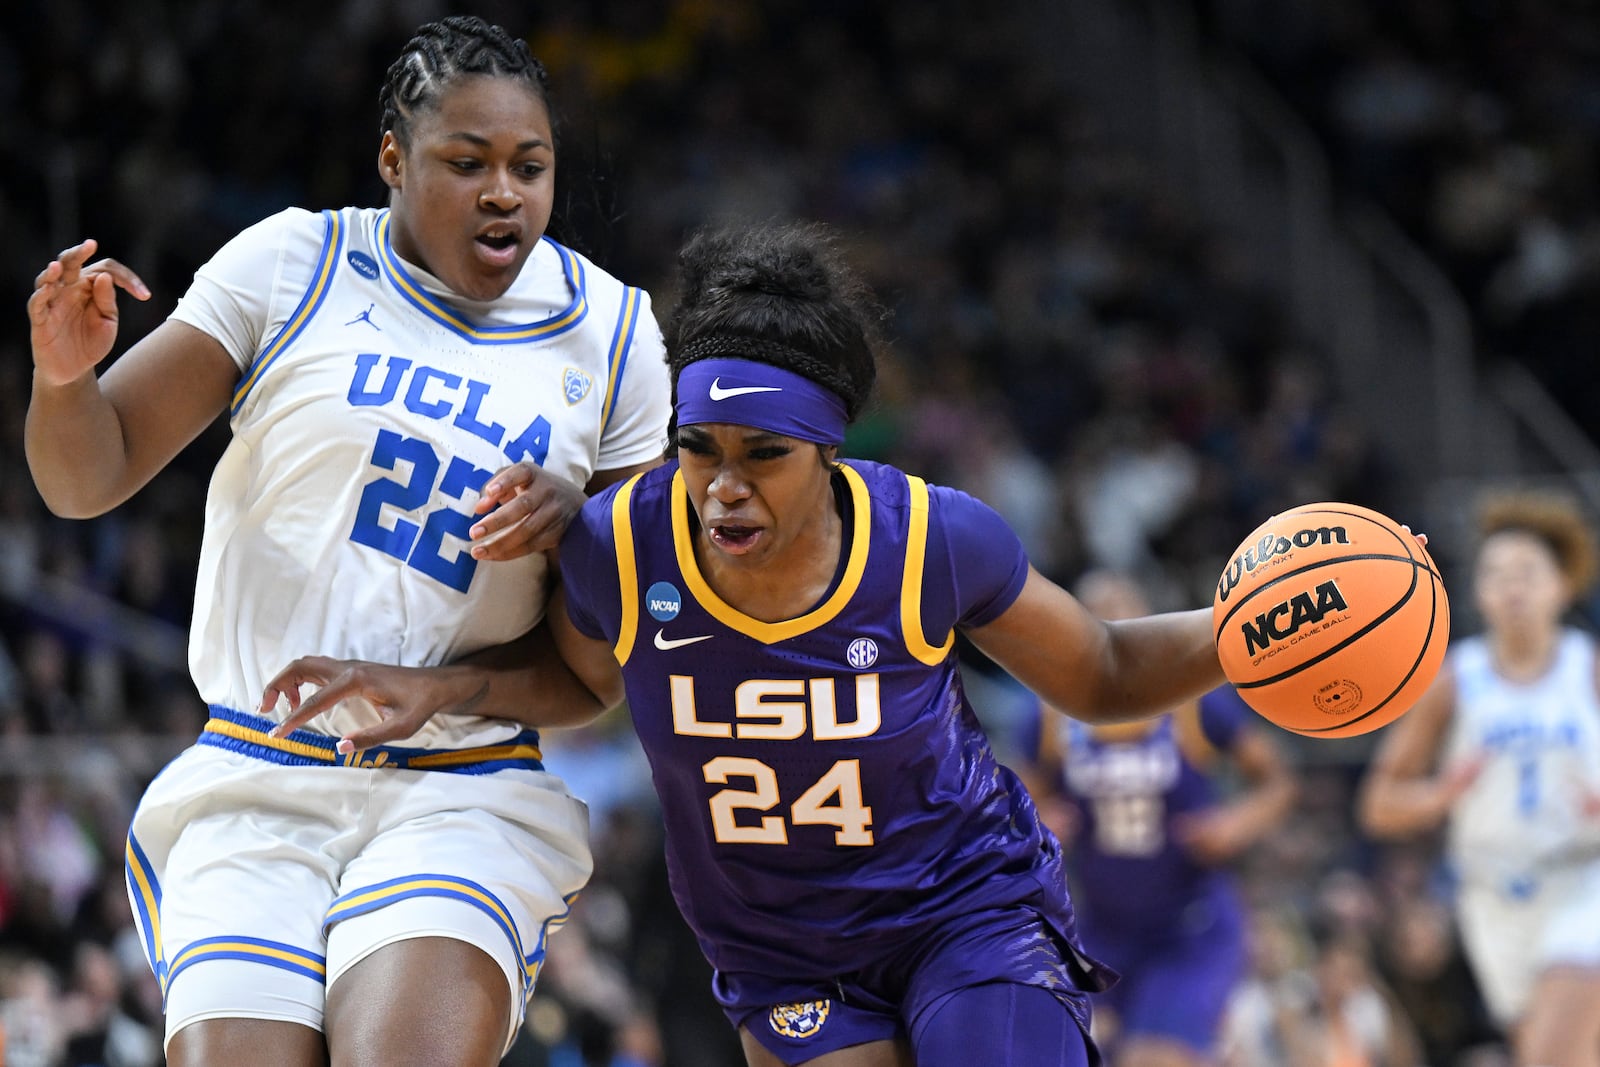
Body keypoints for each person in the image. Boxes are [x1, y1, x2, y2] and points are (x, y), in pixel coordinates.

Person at [262, 220, 1245, 1067]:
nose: (724, 485)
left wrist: (1246, 628)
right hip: (780, 948)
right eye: (700, 449)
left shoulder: (932, 542)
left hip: (963, 904)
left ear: (827, 452)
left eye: (762, 456)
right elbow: (579, 678)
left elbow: (1104, 670)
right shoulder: (620, 542)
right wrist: (443, 685)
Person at [24, 15, 671, 1067]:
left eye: (530, 165)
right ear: (393, 160)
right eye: (467, 162)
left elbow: (592, 674)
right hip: (255, 774)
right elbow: (86, 476)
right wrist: (65, 378)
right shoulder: (295, 262)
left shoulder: (612, 330)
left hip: (460, 781)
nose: (504, 191)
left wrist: (583, 534)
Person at [1358, 488, 1600, 1067]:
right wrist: (1441, 794)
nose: (1511, 586)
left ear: (1562, 584)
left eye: (1527, 572)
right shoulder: (1454, 681)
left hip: (1581, 879)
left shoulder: (1587, 668)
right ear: (1478, 592)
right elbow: (1378, 805)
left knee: (1550, 1055)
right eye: (1495, 573)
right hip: (1491, 893)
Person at [1028, 570, 1298, 1067]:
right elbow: (1022, 797)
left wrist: (1237, 823)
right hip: (1102, 927)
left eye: (1125, 623)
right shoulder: (1048, 714)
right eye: (1097, 623)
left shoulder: (1196, 701)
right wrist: (1042, 819)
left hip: (1190, 925)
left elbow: (1278, 779)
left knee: (1154, 1057)